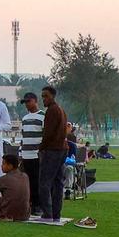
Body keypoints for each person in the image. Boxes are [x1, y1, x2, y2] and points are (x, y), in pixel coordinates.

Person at [37, 86, 69, 223]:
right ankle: (56, 214)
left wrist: (41, 148)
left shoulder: (51, 111)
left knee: (44, 182)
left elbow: (48, 133)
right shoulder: (61, 110)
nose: (43, 99)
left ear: (52, 96)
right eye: (42, 96)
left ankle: (47, 213)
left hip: (53, 149)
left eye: (46, 96)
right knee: (58, 183)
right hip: (62, 149)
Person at [18, 92, 44, 217]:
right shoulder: (24, 118)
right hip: (26, 155)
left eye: (29, 101)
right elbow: (23, 137)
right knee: (27, 182)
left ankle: (38, 205)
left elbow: (45, 136)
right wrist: (21, 153)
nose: (27, 104)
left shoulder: (43, 116)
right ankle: (30, 204)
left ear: (35, 101)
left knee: (37, 181)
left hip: (36, 155)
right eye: (25, 102)